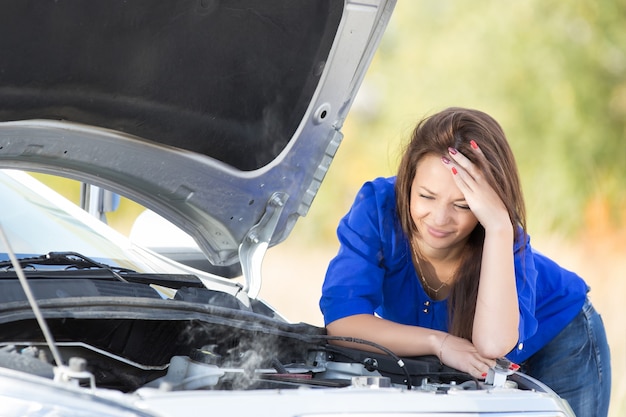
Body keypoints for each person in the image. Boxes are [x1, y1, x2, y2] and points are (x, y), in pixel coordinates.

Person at [319, 107, 611, 417]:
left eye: (462, 204)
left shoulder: (503, 234)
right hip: (461, 352)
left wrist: (499, 227)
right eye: (426, 196)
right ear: (407, 182)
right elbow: (343, 322)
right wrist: (439, 343)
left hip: (560, 338)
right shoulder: (377, 207)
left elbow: (492, 346)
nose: (439, 219)